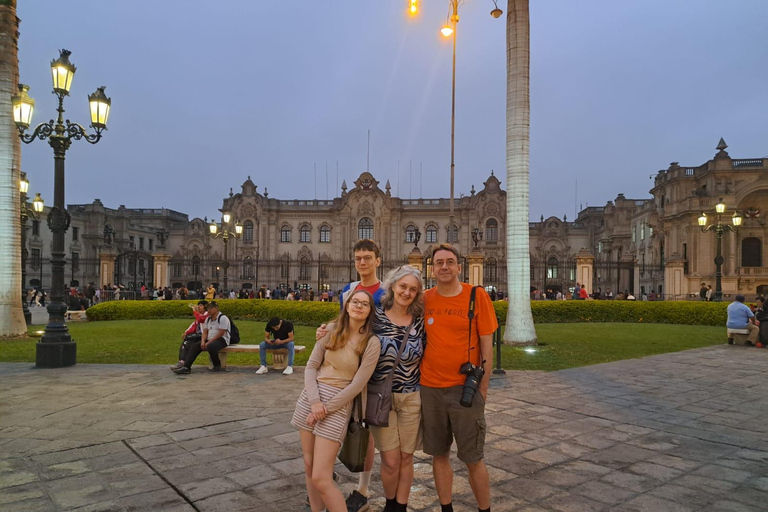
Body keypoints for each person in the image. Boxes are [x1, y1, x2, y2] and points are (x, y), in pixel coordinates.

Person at [421, 244, 497, 512]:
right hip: (429, 388)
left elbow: (487, 345)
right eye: (439, 262)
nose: (444, 266)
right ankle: (446, 508)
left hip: (465, 389)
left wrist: (484, 387)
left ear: (459, 267)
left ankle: (484, 509)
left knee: (473, 457)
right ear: (432, 268)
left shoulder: (476, 296)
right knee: (439, 454)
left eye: (449, 262)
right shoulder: (424, 299)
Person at [293, 290, 381, 512]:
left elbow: (358, 384)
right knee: (309, 465)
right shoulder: (331, 331)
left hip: (338, 404)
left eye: (364, 304)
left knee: (322, 476)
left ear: (370, 311)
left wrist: (325, 408)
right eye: (355, 302)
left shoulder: (371, 342)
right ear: (347, 305)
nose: (358, 306)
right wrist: (314, 402)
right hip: (311, 398)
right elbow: (312, 366)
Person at [317, 238, 386, 512]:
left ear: (378, 260)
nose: (363, 262)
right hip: (344, 368)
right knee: (334, 424)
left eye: (368, 257)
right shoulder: (348, 290)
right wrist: (327, 329)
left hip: (372, 368)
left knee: (363, 429)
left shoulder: (386, 293)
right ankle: (326, 473)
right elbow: (342, 321)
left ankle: (363, 488)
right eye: (358, 258)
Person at [368, 266, 425, 512]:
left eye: (413, 289)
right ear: (392, 286)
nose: (406, 292)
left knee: (406, 457)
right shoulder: (375, 315)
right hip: (382, 397)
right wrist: (326, 331)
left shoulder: (420, 321)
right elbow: (349, 333)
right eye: (403, 286)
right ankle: (391, 503)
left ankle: (400, 507)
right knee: (391, 460)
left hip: (412, 397)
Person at [173, 301, 231, 374]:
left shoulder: (223, 318)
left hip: (222, 339)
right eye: (207, 309)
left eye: (210, 308)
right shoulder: (208, 319)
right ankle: (186, 367)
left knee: (211, 346)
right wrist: (203, 341)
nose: (208, 311)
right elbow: (205, 331)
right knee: (195, 346)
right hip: (210, 339)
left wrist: (209, 342)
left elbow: (221, 333)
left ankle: (217, 365)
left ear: (216, 309)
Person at [170, 301, 209, 370]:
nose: (198, 307)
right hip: (199, 336)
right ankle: (182, 361)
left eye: (200, 305)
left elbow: (201, 319)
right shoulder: (199, 315)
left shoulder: (207, 315)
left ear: (205, 307)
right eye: (198, 305)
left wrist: (195, 311)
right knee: (186, 342)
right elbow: (193, 326)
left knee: (192, 344)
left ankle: (185, 364)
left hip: (206, 337)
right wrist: (186, 332)